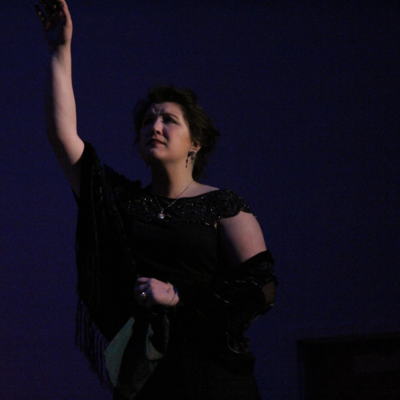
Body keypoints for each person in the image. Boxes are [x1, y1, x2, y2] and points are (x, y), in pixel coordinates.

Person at [35, 1, 277, 399]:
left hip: (214, 378)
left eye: (169, 120)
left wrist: (178, 295)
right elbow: (64, 140)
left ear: (195, 143)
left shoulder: (223, 205)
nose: (155, 126)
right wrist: (60, 50)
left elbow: (261, 288)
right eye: (148, 120)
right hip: (147, 379)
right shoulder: (124, 202)